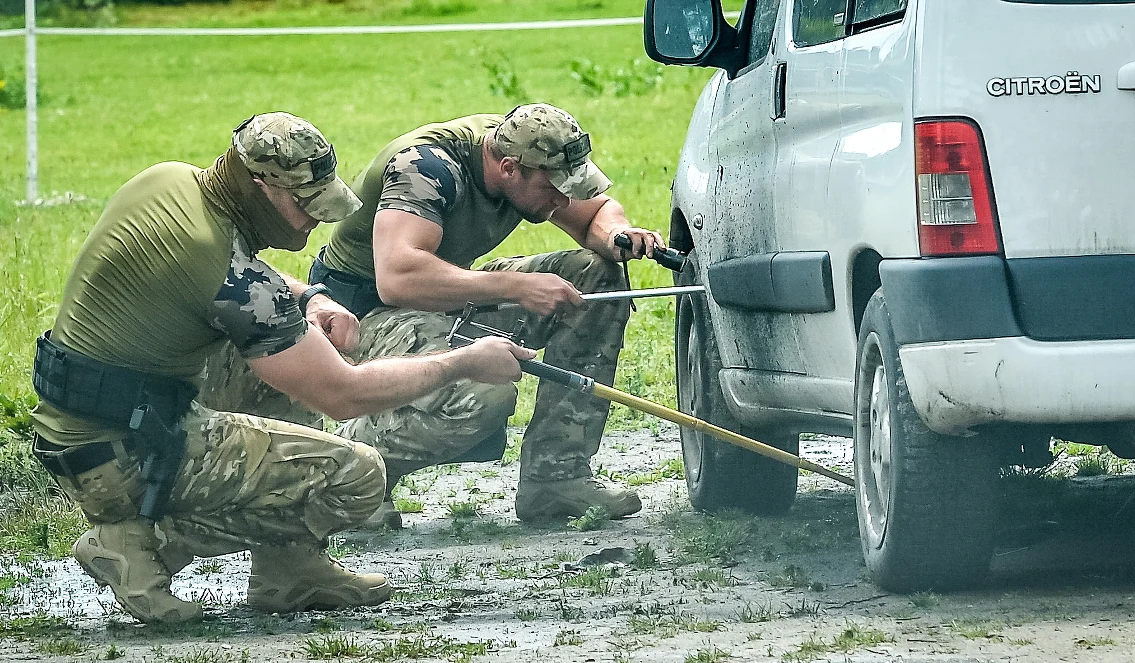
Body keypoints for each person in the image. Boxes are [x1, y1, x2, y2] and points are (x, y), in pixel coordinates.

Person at [28, 112, 533, 625]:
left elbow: (232, 271)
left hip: (97, 424)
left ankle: (289, 569)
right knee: (356, 475)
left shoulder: (171, 181)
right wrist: (463, 362)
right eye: (305, 204)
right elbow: (343, 394)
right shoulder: (233, 280)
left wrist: (308, 297)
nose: (317, 219)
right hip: (123, 457)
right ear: (258, 186)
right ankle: (139, 543)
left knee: (295, 348)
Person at [309, 103, 666, 524]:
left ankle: (555, 478)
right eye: (555, 188)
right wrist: (516, 287)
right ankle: (350, 471)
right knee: (484, 394)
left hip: (448, 297)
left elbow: (595, 213)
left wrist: (616, 235)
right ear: (510, 169)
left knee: (593, 274)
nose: (563, 199)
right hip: (363, 313)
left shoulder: (532, 152)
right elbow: (398, 278)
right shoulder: (425, 167)